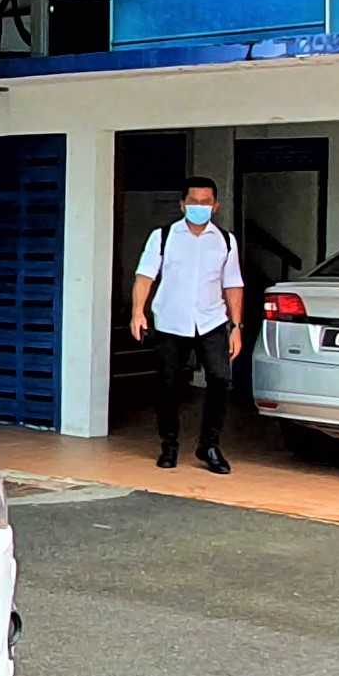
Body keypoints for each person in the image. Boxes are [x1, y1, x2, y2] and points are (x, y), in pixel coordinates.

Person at [129, 175, 245, 472]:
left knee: (220, 379)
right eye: (193, 201)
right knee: (167, 384)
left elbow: (233, 285)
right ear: (182, 204)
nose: (199, 207)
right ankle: (169, 445)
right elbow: (145, 276)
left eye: (206, 202)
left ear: (215, 206)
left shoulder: (226, 241)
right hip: (171, 322)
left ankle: (209, 445)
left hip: (211, 321)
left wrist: (236, 327)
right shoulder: (163, 236)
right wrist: (138, 312)